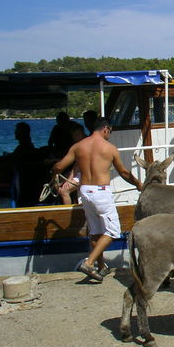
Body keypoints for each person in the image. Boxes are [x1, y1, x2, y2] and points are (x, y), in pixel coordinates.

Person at [51, 117, 142, 281]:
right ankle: (89, 262)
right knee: (113, 231)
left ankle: (101, 267)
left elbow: (58, 167)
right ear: (106, 129)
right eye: (110, 132)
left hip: (85, 191)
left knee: (95, 231)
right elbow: (124, 172)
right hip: (101, 191)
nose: (109, 135)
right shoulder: (110, 148)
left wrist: (53, 175)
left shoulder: (78, 146)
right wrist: (138, 184)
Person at [57, 122, 87, 205]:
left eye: (78, 134)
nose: (76, 137)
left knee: (64, 191)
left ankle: (68, 215)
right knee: (56, 184)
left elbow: (77, 165)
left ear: (83, 133)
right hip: (81, 172)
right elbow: (76, 165)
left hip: (86, 174)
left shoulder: (82, 145)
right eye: (74, 135)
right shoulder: (78, 145)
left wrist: (70, 179)